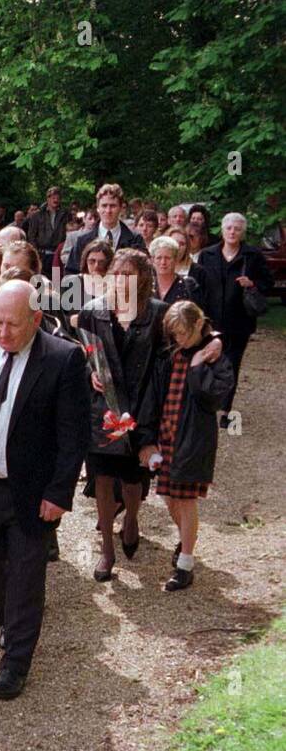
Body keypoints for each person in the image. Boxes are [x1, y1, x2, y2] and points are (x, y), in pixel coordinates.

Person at [0, 281, 90, 699]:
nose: (1, 332)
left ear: (36, 320)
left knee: (27, 574)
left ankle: (15, 662)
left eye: (11, 324)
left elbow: (74, 434)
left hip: (31, 491)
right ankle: (7, 612)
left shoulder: (63, 359)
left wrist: (59, 492)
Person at [74, 249, 167, 580]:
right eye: (117, 274)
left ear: (143, 279)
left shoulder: (158, 314)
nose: (122, 281)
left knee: (133, 479)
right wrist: (90, 373)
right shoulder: (90, 313)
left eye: (130, 275)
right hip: (102, 412)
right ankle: (107, 551)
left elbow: (167, 361)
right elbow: (80, 355)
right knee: (102, 476)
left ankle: (130, 518)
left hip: (140, 410)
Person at [137, 301, 234, 591]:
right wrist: (148, 438)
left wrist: (197, 368)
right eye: (174, 333)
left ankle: (186, 564)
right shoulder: (170, 353)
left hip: (192, 439)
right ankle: (186, 541)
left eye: (183, 333)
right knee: (168, 497)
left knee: (185, 499)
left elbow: (212, 398)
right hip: (167, 435)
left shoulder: (215, 358)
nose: (178, 339)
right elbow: (155, 395)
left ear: (198, 325)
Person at [196, 212, 273, 418]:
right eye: (229, 228)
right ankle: (207, 402)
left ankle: (225, 408)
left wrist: (252, 283)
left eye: (237, 229)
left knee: (231, 364)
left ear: (242, 232)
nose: (232, 232)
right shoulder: (207, 255)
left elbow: (269, 283)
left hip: (240, 322)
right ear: (222, 230)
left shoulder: (252, 256)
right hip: (212, 321)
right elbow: (199, 287)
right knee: (210, 360)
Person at [65, 183, 144, 274]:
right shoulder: (82, 241)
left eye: (113, 206)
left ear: (121, 208)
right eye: (104, 206)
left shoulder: (135, 240)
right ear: (98, 207)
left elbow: (143, 274)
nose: (108, 211)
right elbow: (71, 275)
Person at [151, 235, 202, 309]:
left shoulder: (188, 285)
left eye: (167, 258)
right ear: (152, 260)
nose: (163, 262)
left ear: (175, 260)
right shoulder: (146, 286)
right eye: (159, 258)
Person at [27, 186, 69, 272]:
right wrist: (36, 253)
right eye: (53, 198)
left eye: (58, 198)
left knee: (56, 281)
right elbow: (31, 236)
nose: (56, 200)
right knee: (41, 282)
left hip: (58, 254)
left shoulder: (66, 215)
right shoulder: (37, 215)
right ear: (48, 199)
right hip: (42, 255)